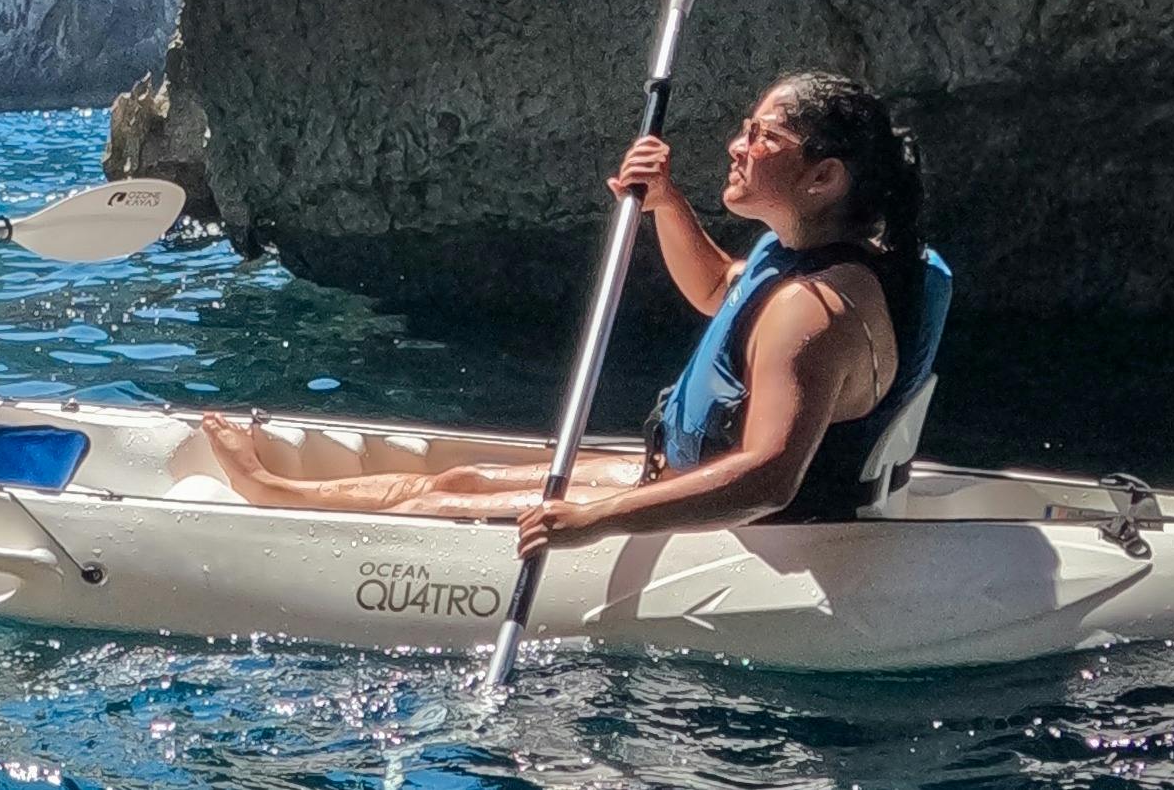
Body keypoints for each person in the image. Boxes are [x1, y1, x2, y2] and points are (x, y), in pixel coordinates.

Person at [197, 72, 945, 555]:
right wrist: (665, 203)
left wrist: (596, 522)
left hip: (741, 532)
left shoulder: (813, 313)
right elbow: (722, 290)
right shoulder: (806, 257)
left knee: (445, 499)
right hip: (681, 476)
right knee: (465, 477)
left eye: (761, 136)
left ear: (822, 176)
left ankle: (276, 497)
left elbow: (767, 480)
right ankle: (281, 493)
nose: (736, 145)